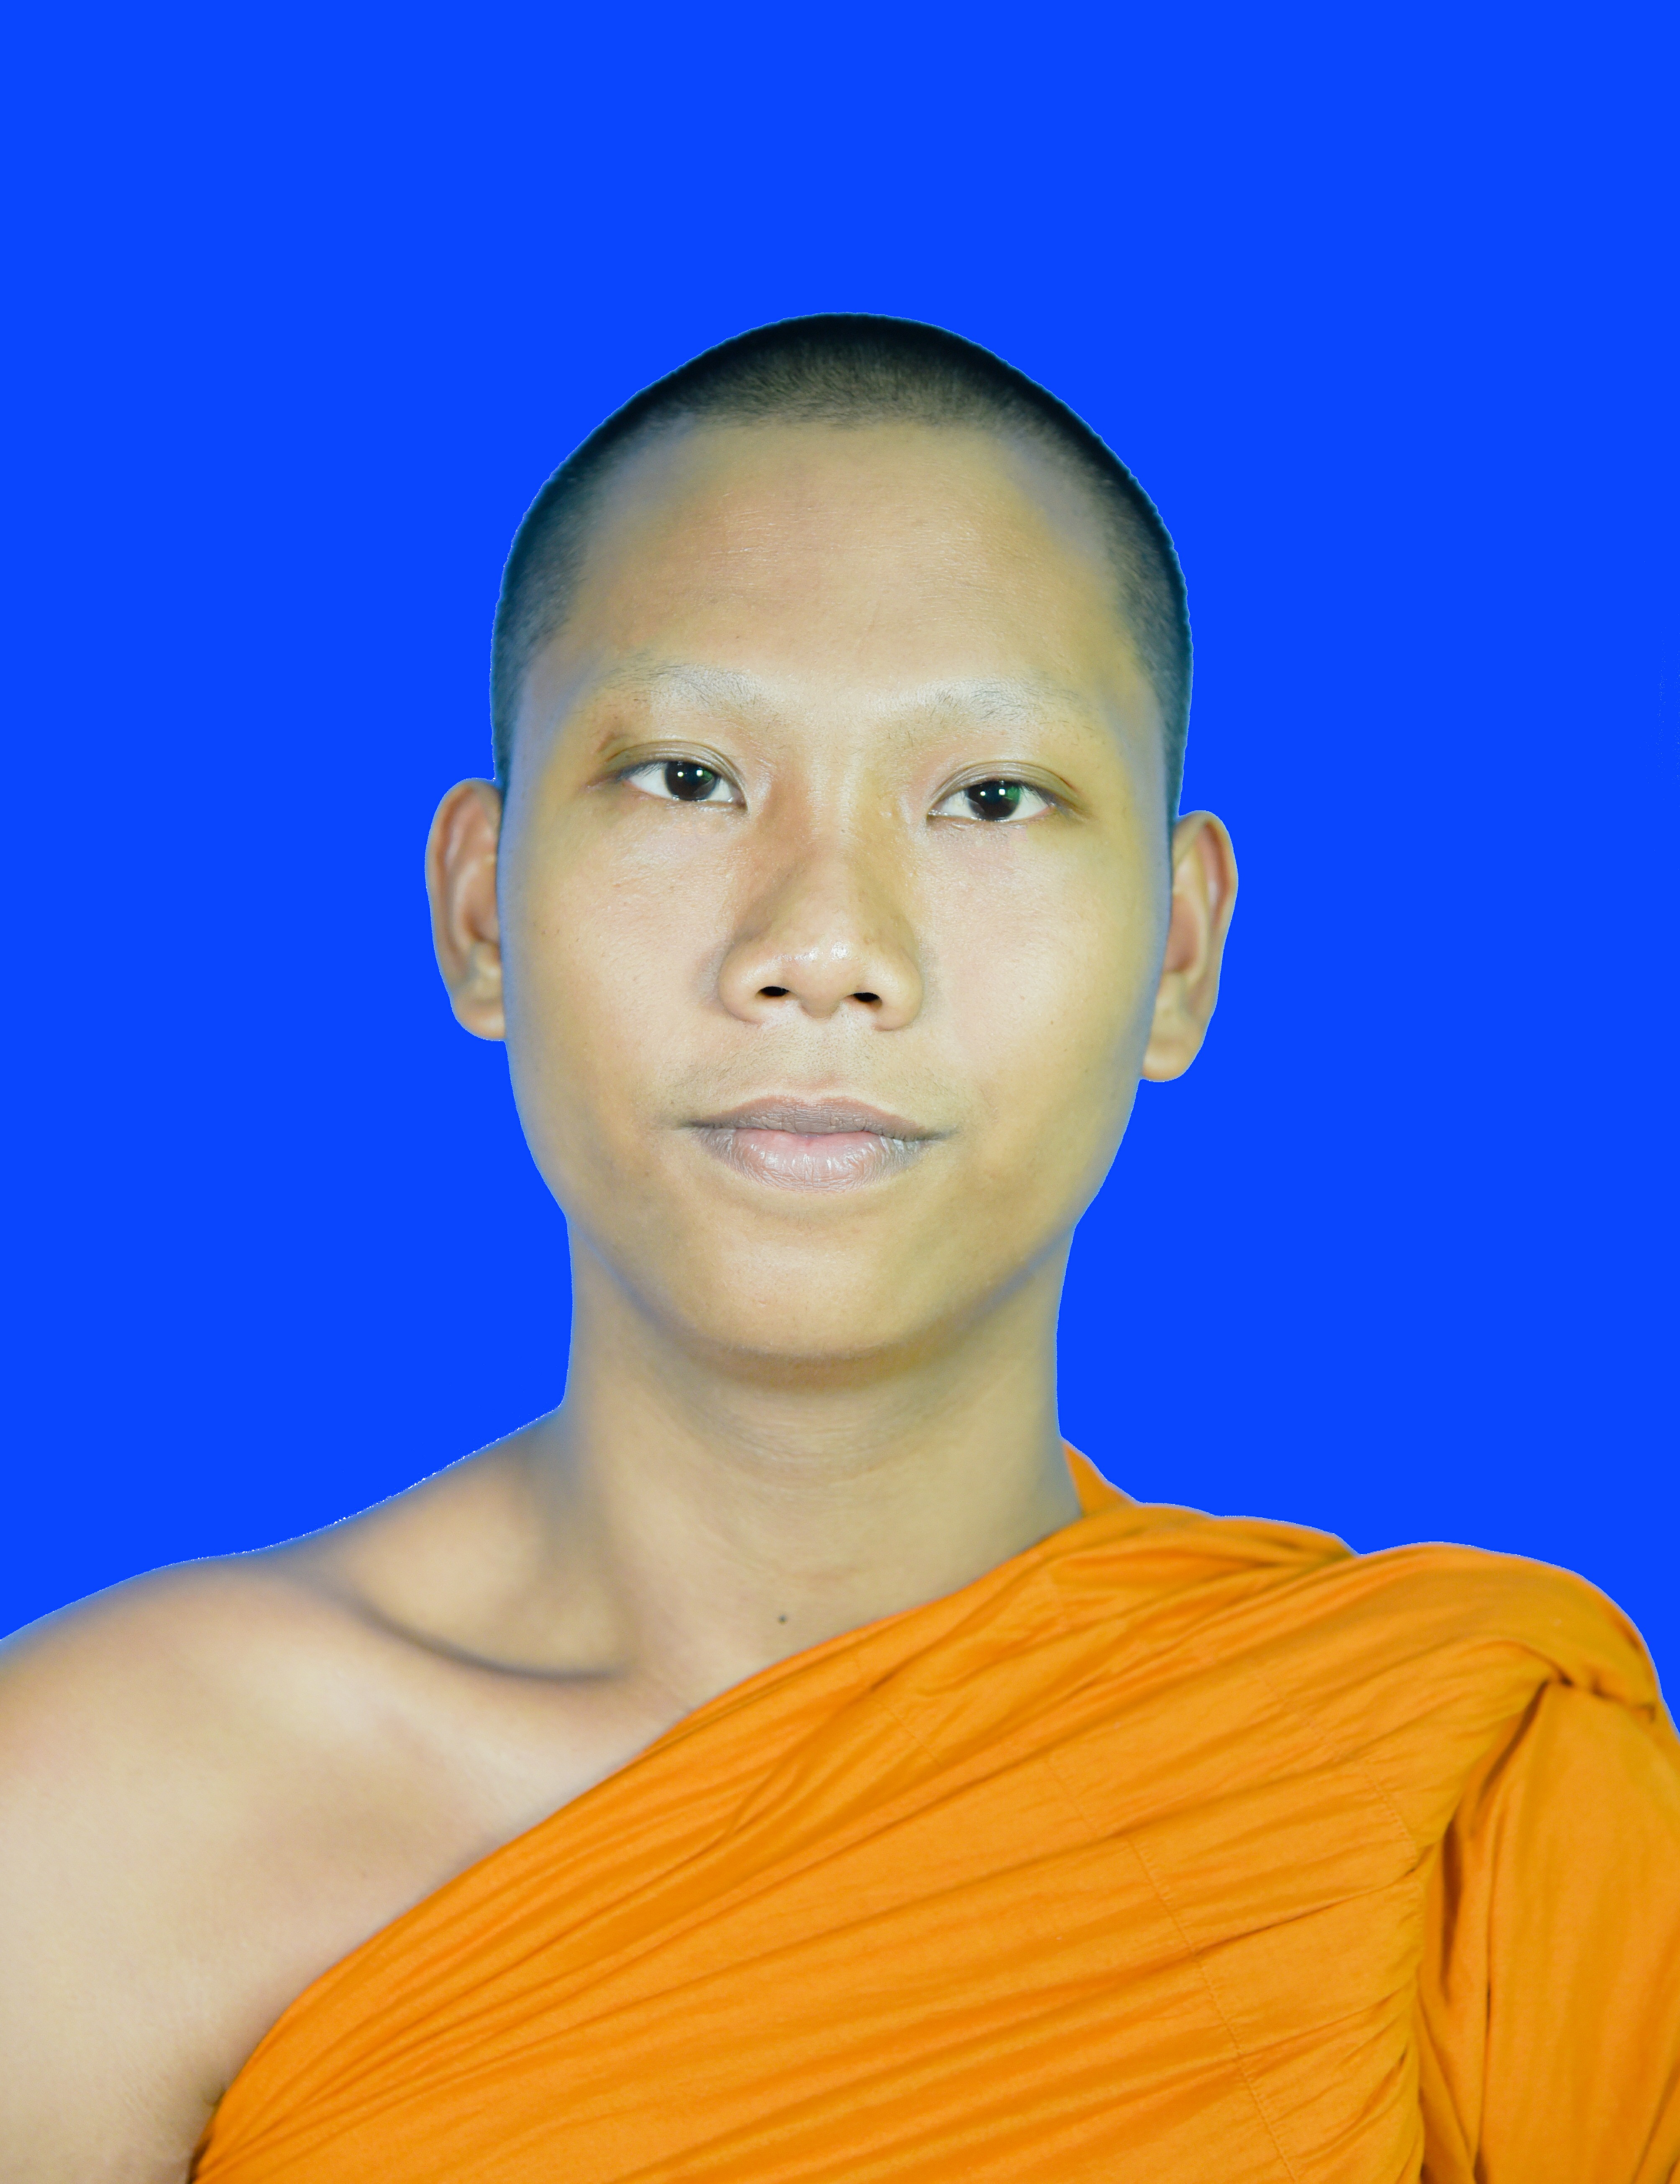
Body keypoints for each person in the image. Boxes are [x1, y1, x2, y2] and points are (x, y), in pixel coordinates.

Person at [3, 315, 1676, 2184]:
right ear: (480, 914)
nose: (822, 946)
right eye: (685, 778)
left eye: (990, 797)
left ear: (1179, 952)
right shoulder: (94, 1821)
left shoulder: (1448, 1814)